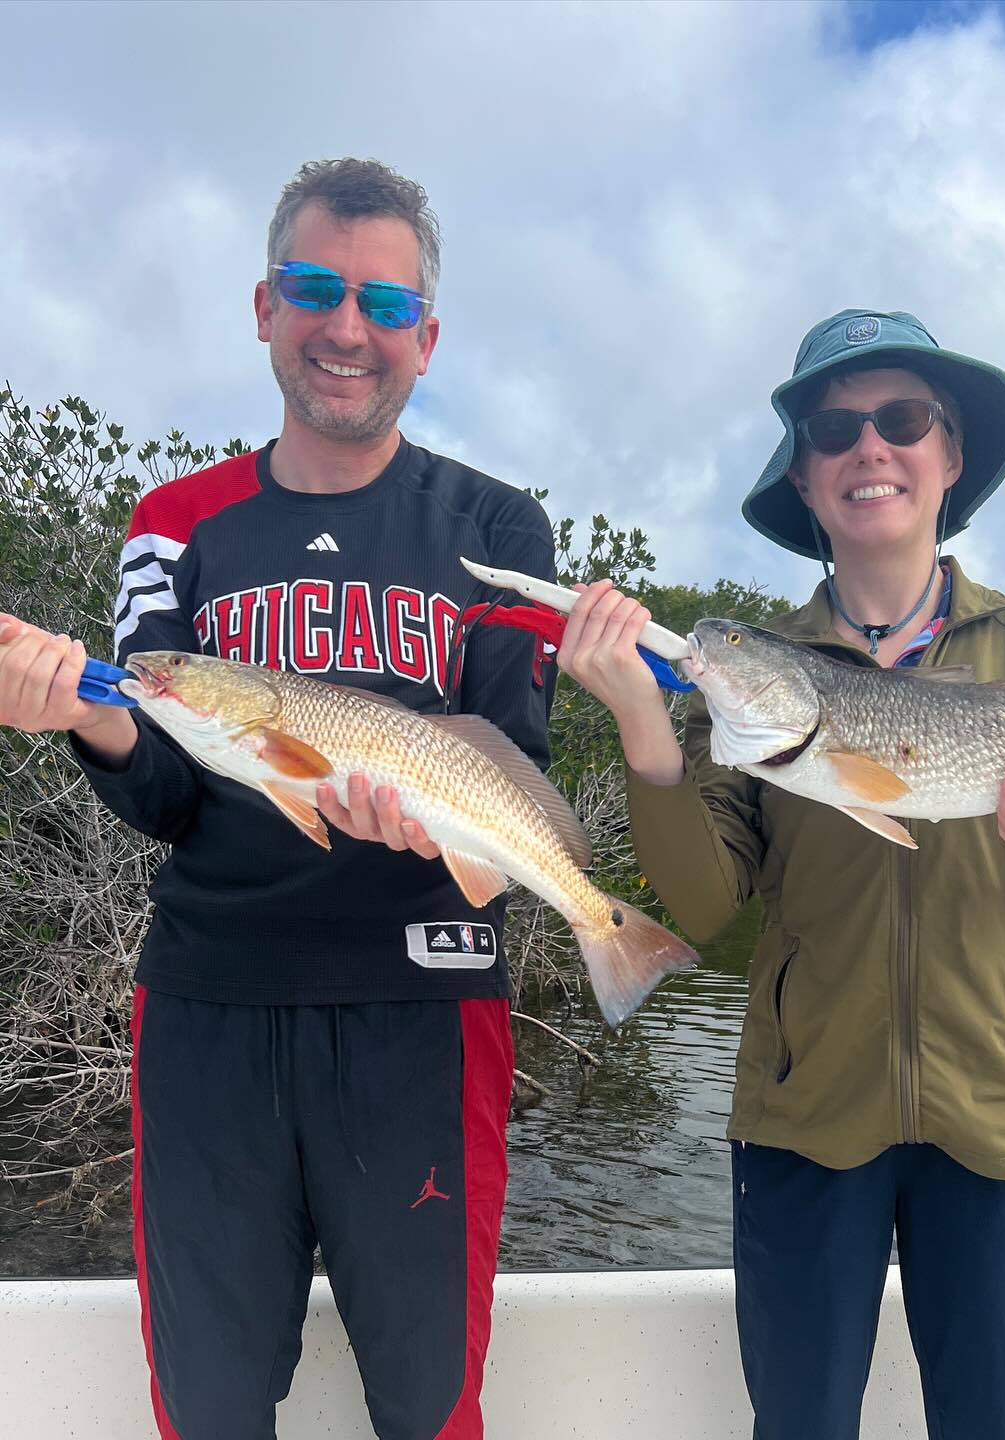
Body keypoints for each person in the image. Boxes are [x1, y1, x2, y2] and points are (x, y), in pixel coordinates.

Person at [0, 159, 555, 1439]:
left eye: (382, 300)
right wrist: (89, 716)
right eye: (313, 287)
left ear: (428, 333)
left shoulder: (495, 528)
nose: (346, 327)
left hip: (425, 1009)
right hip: (209, 1009)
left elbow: (508, 746)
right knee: (206, 1404)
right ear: (264, 307)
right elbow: (164, 797)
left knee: (432, 1406)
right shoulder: (173, 526)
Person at [558, 309, 1005, 1439]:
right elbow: (705, 904)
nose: (868, 448)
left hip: (996, 1116)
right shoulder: (750, 670)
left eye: (902, 419)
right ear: (803, 475)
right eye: (834, 429)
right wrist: (648, 729)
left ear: (952, 454)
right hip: (802, 1118)